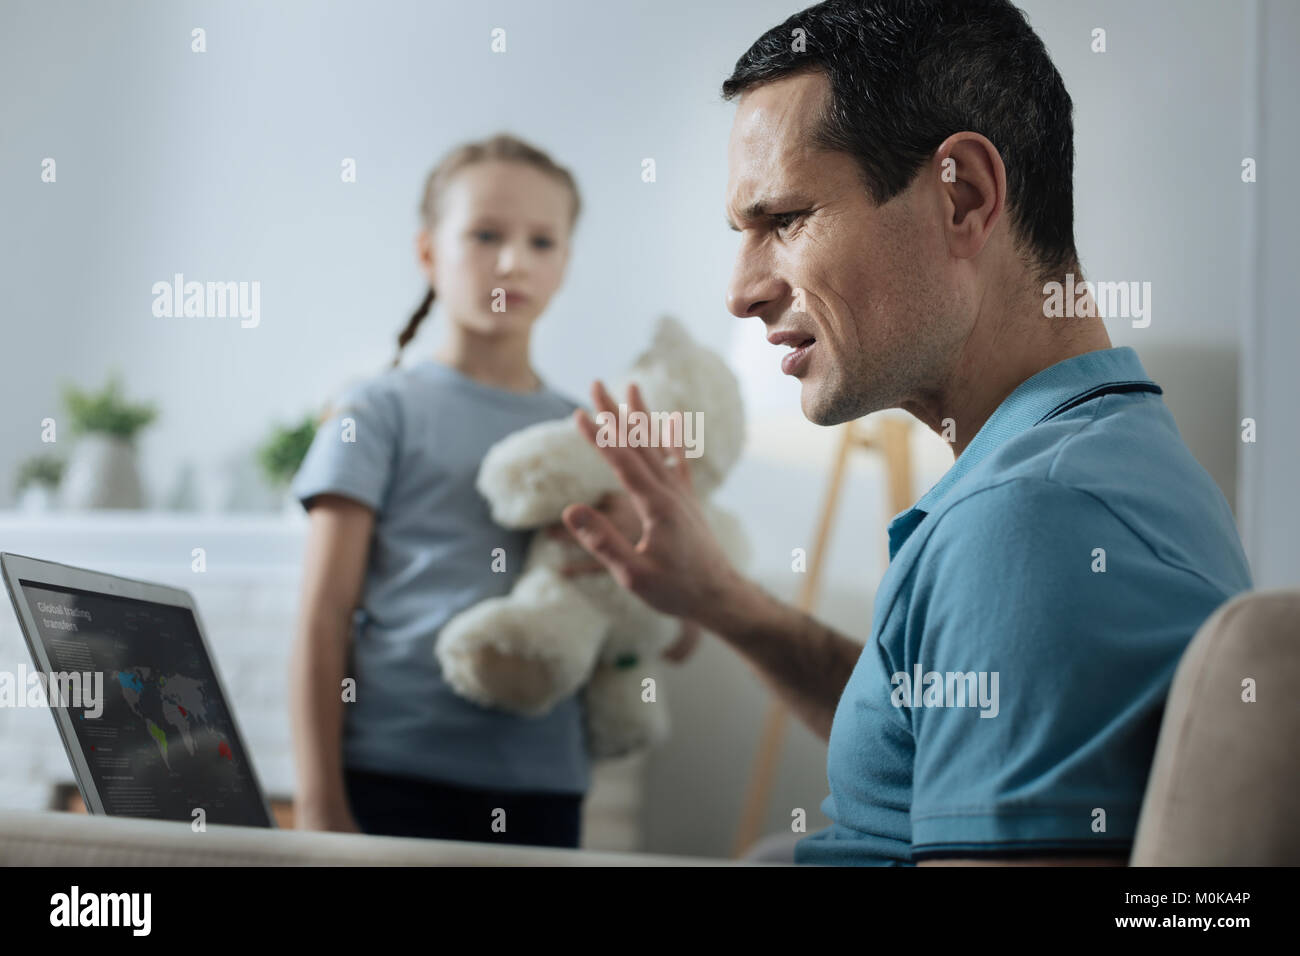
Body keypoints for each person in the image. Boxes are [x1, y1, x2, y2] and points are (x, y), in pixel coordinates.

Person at [558, 0, 1253, 865]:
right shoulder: (1089, 464)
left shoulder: (1033, 521)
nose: (740, 291)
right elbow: (934, 730)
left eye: (785, 219)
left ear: (963, 197)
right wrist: (720, 601)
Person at [287, 133, 693, 848]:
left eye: (542, 241)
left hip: (544, 787)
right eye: (484, 234)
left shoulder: (591, 434)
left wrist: (646, 542)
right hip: (388, 776)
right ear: (427, 253)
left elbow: (675, 634)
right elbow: (322, 617)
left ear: (565, 264)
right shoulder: (376, 412)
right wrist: (321, 811)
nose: (513, 261)